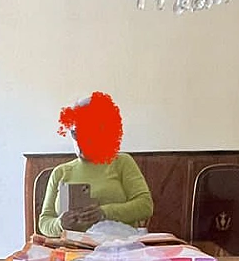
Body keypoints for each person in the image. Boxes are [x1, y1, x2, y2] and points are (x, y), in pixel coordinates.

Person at [37, 91, 154, 237]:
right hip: (72, 247)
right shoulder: (60, 172)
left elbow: (145, 206)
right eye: (75, 133)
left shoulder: (122, 162)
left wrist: (104, 213)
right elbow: (44, 222)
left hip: (117, 245)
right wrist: (60, 223)